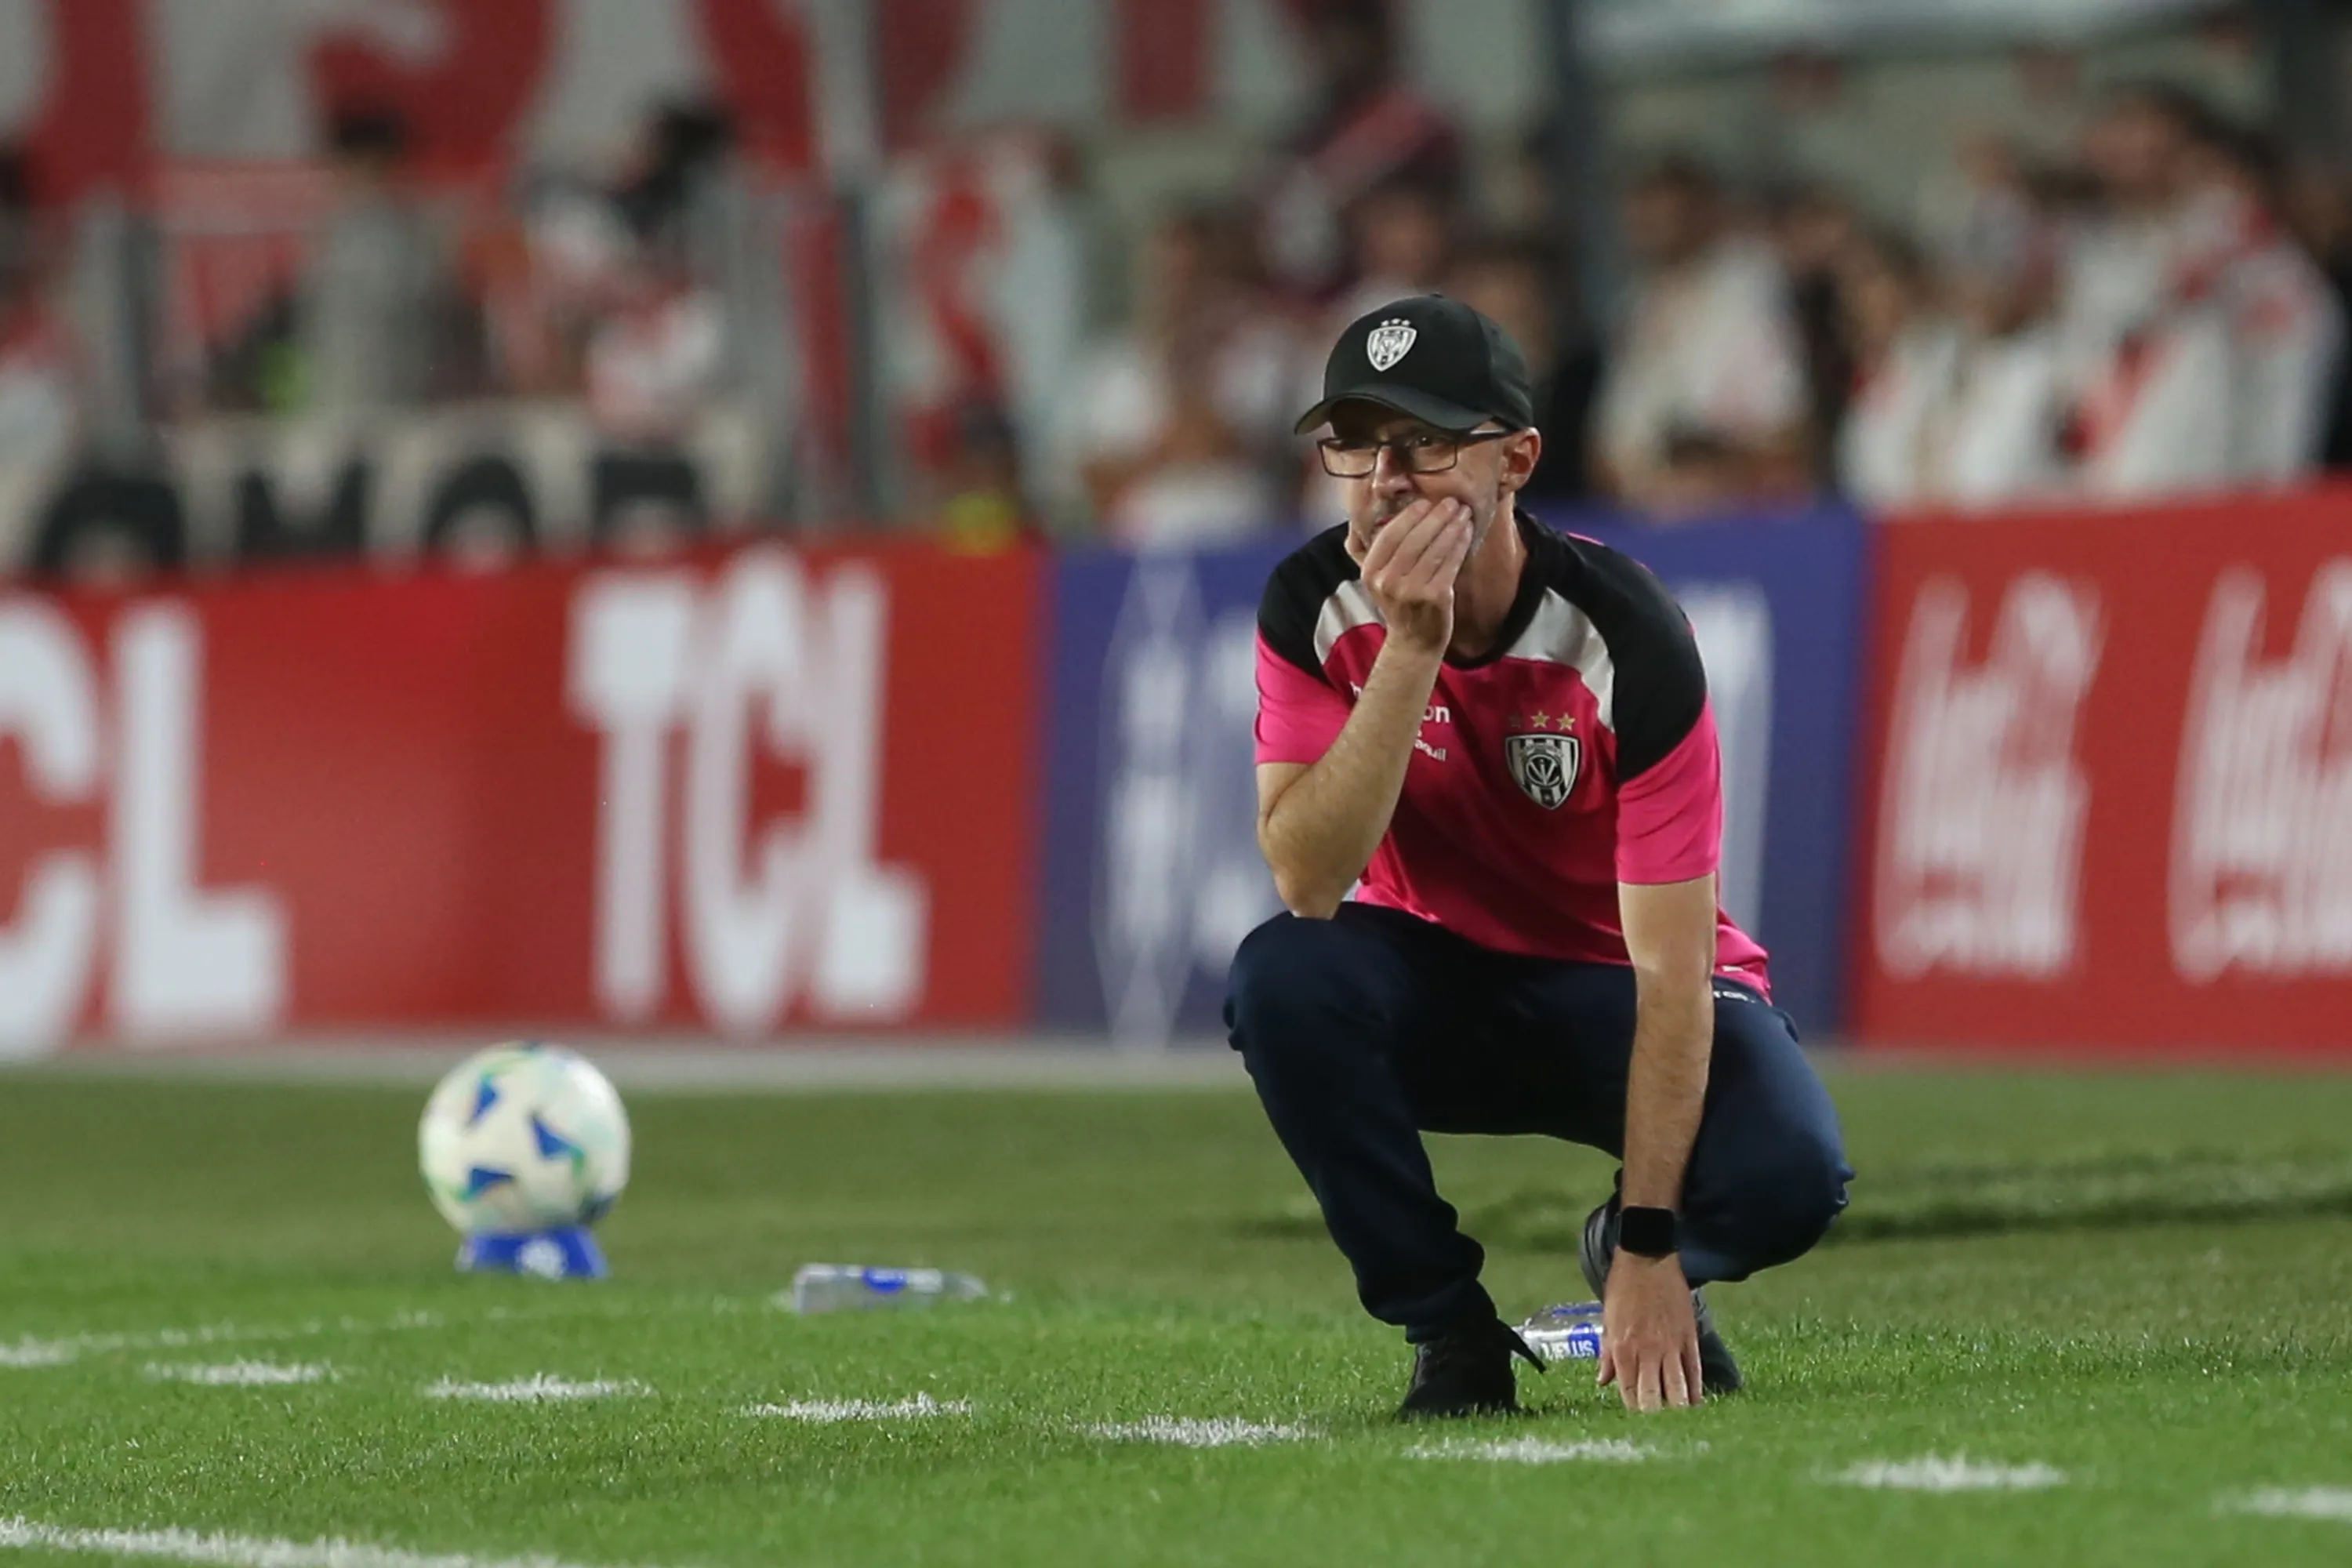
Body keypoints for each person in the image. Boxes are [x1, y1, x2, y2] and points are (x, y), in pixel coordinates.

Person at [1227, 293, 1851, 1419]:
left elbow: (1672, 971)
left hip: (1620, 991)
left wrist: (1650, 1248)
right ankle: (1449, 1330)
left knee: (1792, 1174)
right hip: (1442, 983)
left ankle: (1624, 1253)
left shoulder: (1624, 633)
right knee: (1282, 980)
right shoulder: (1312, 605)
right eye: (1357, 444)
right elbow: (1309, 879)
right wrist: (1409, 654)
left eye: (1423, 442)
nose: (1386, 479)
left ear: (1515, 459)